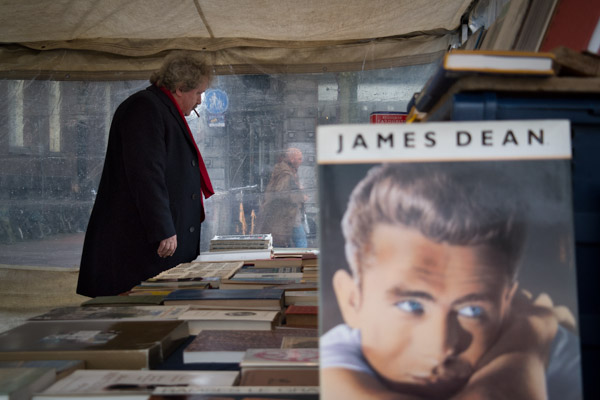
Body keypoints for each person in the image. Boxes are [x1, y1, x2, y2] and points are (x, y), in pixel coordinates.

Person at [320, 162, 582, 400]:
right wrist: (523, 351)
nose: (441, 347)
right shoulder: (333, 355)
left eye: (472, 310)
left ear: (508, 304)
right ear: (352, 300)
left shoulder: (565, 354)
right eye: (411, 305)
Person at [76, 52, 214, 297]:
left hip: (155, 241)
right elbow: (146, 173)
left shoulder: (160, 108)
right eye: (198, 93)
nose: (200, 101)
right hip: (141, 243)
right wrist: (163, 228)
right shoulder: (145, 108)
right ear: (181, 88)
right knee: (139, 313)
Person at [256, 147, 307, 247]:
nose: (301, 161)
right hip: (287, 212)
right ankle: (303, 258)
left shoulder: (285, 170)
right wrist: (300, 197)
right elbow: (281, 193)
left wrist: (298, 189)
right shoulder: (285, 174)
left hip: (284, 212)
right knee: (299, 239)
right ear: (292, 159)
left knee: (282, 239)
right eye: (299, 159)